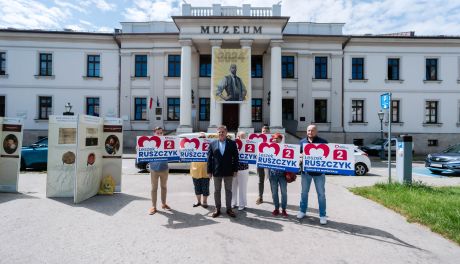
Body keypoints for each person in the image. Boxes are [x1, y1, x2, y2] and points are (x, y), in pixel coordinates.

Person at [297, 124, 328, 224]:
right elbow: (297, 157)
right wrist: (300, 157)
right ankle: (302, 211)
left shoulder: (323, 142)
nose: (310, 132)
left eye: (312, 130)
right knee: (304, 193)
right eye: (309, 130)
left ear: (316, 131)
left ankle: (322, 215)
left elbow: (328, 157)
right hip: (306, 173)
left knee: (321, 195)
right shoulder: (302, 142)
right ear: (306, 131)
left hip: (319, 174)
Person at [207, 125, 239, 218]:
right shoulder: (212, 144)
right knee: (217, 191)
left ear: (226, 133)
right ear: (217, 133)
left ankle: (229, 209)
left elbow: (236, 157)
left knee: (228, 191)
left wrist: (235, 170)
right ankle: (218, 209)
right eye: (219, 132)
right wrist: (209, 171)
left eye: (223, 132)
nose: (221, 133)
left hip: (229, 171)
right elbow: (209, 158)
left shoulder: (232, 143)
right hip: (216, 172)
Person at [148, 127, 171, 215]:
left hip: (164, 168)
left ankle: (164, 204)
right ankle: (153, 206)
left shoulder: (166, 142)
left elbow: (174, 150)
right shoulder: (150, 142)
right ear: (154, 133)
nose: (159, 134)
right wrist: (138, 148)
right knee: (154, 188)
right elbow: (141, 151)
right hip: (153, 169)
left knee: (164, 187)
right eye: (157, 133)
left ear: (163, 133)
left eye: (161, 133)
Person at [268, 133, 288, 217]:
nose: (275, 140)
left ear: (281, 139)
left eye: (277, 138)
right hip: (273, 174)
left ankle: (283, 209)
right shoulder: (269, 149)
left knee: (284, 192)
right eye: (274, 138)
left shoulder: (285, 148)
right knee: (274, 193)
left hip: (283, 174)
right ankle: (276, 208)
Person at [190, 132, 210, 208]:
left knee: (205, 188)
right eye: (200, 137)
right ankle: (198, 201)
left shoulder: (208, 146)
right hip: (195, 170)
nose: (201, 139)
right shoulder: (193, 146)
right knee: (197, 187)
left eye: (203, 137)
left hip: (205, 171)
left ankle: (205, 202)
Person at [231, 131, 249, 211]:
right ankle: (233, 202)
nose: (241, 138)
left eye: (243, 137)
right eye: (240, 136)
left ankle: (242, 204)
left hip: (244, 169)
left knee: (243, 188)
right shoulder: (233, 144)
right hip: (233, 169)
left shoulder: (248, 145)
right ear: (237, 137)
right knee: (233, 187)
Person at [256, 125, 270, 205]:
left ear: (269, 132)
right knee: (260, 180)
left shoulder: (272, 140)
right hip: (260, 162)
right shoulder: (258, 140)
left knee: (272, 180)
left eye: (266, 131)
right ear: (261, 132)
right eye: (263, 131)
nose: (265, 133)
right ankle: (260, 196)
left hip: (270, 163)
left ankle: (275, 197)